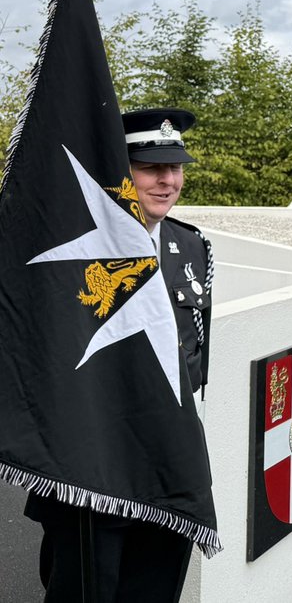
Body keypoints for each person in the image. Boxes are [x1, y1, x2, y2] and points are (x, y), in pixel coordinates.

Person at [26, 107, 213, 600]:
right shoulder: (73, 250)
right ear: (122, 172)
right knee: (84, 586)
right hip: (92, 456)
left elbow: (192, 354)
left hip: (167, 454)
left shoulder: (192, 246)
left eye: (176, 168)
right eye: (152, 168)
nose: (168, 181)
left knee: (157, 580)